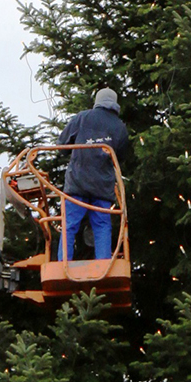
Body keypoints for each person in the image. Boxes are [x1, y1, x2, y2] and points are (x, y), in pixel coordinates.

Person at [56, 87, 129, 262]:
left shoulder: (82, 117)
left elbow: (61, 146)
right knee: (102, 225)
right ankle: (103, 264)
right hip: (102, 186)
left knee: (70, 225)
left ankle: (63, 262)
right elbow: (122, 157)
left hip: (77, 184)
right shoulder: (119, 127)